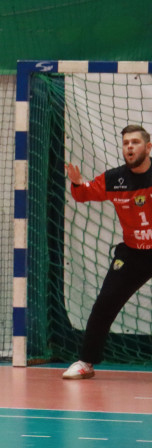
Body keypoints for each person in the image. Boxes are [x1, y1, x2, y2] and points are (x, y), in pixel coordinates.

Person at [61, 124, 152, 380]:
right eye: (126, 143)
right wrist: (78, 183)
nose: (130, 147)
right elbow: (85, 194)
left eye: (135, 142)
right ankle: (86, 362)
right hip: (133, 253)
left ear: (148, 146)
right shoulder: (115, 179)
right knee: (104, 304)